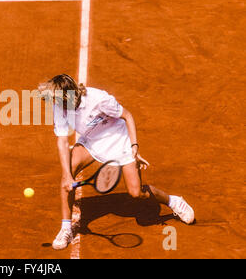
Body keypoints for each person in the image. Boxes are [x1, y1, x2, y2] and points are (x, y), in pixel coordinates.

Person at [38, 74, 195, 250]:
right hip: (91, 141)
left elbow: (127, 116)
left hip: (119, 141)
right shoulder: (60, 106)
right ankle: (66, 228)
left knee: (136, 193)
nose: (55, 104)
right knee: (69, 168)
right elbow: (62, 141)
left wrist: (134, 147)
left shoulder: (99, 99)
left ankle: (173, 201)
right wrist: (67, 175)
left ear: (69, 96)